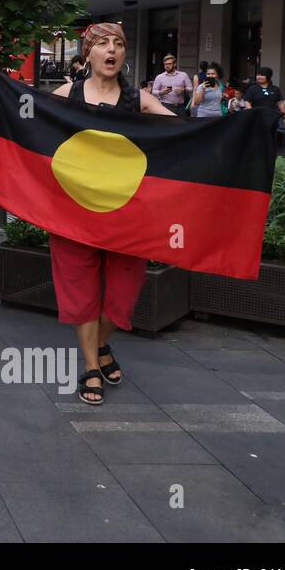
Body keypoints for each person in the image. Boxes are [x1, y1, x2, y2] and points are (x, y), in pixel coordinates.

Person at [50, 22, 176, 406]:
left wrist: (234, 127)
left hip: (126, 217)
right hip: (73, 214)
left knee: (123, 297)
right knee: (80, 292)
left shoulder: (137, 99)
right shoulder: (66, 94)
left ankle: (102, 344)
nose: (111, 50)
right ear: (87, 52)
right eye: (102, 43)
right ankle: (92, 364)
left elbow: (183, 130)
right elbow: (25, 121)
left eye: (118, 44)